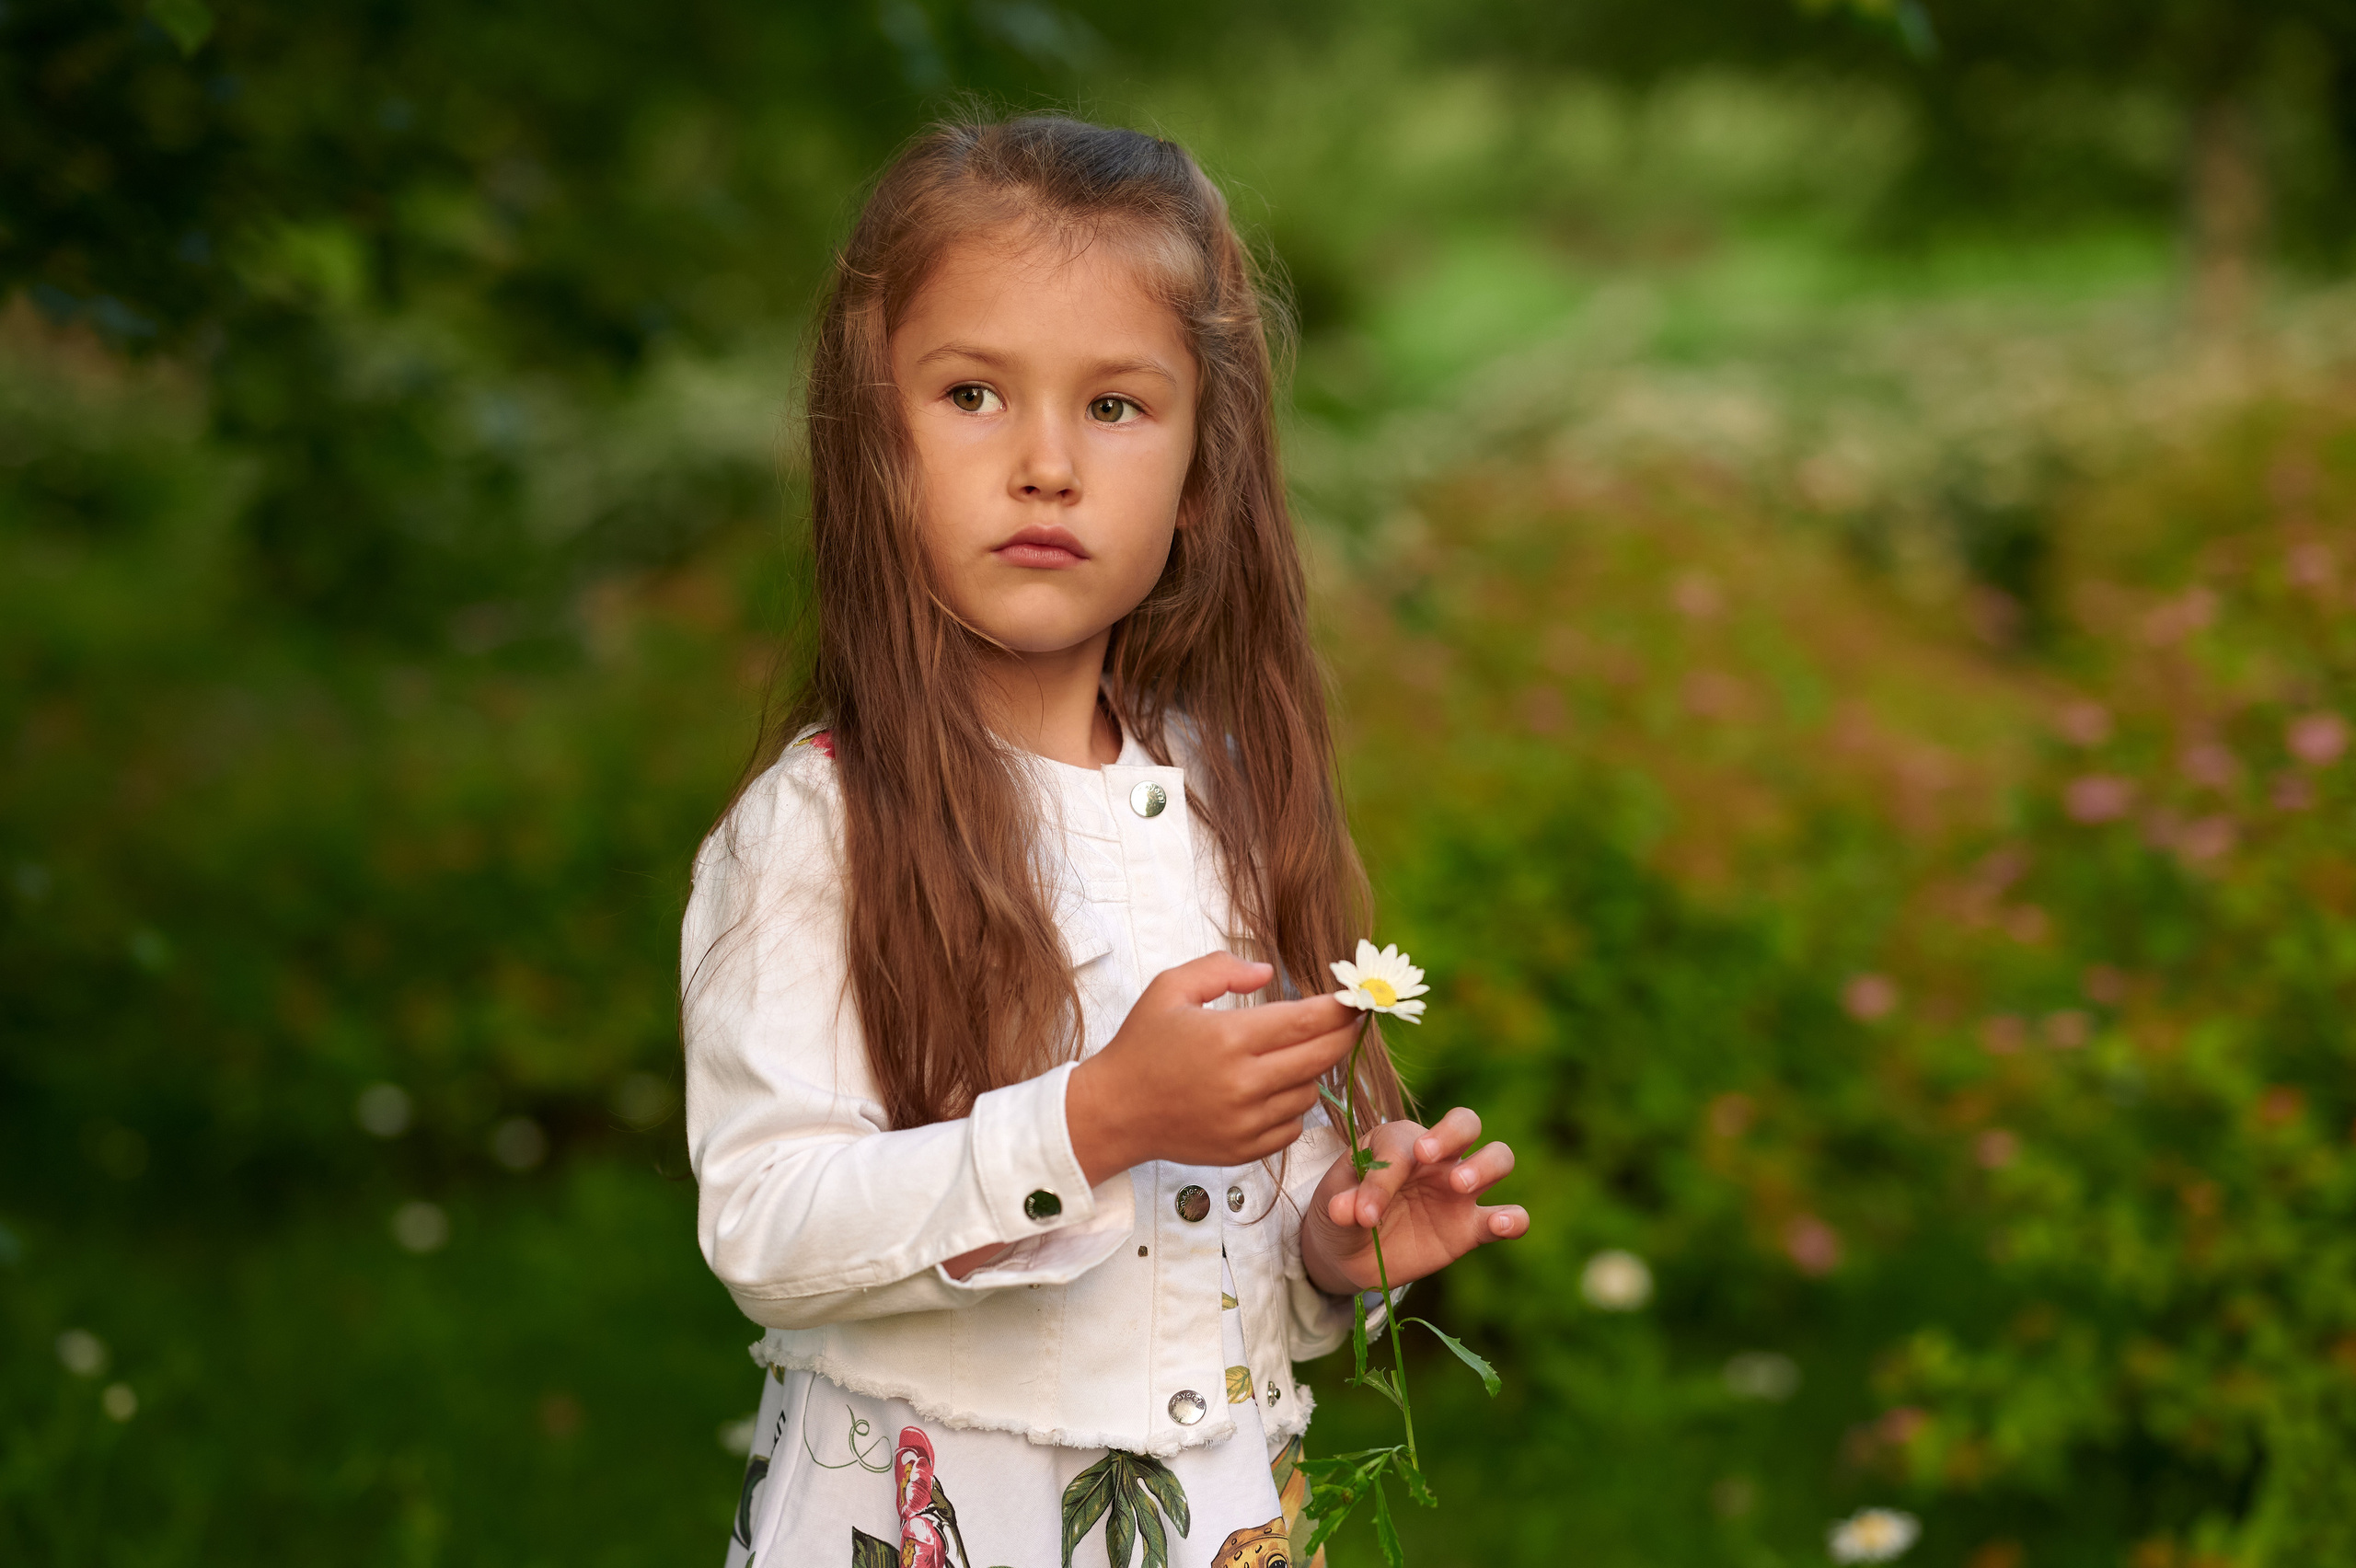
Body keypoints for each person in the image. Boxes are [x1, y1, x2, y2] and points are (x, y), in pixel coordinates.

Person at [683, 113, 1530, 1568]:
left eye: (1118, 407)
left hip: (1217, 1520)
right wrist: (1093, 1123)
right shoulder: (821, 824)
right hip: (938, 1517)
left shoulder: (1228, 801)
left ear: (1202, 479)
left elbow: (1213, 1244)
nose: (1048, 465)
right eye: (971, 394)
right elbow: (768, 1231)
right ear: (870, 441)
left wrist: (1332, 1247)